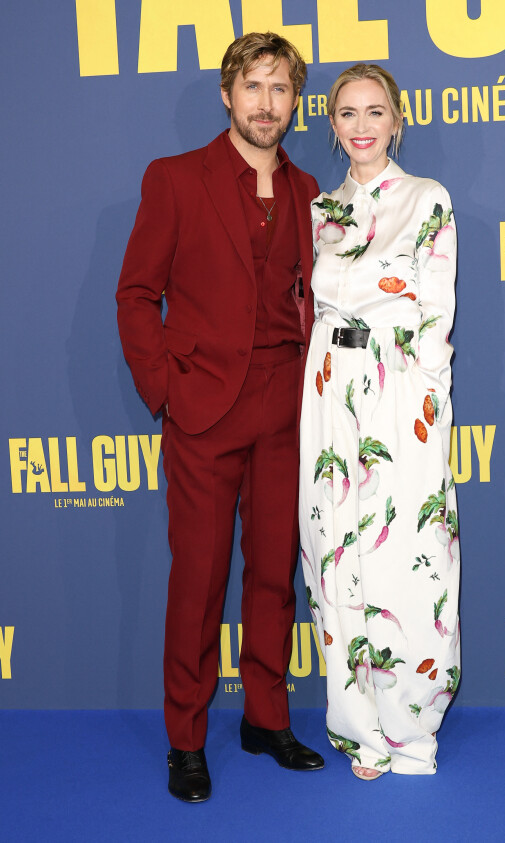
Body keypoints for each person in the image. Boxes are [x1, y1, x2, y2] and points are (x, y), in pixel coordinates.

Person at [116, 31, 324, 803]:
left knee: (274, 574)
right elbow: (136, 292)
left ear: (293, 103)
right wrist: (165, 389)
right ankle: (186, 738)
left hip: (286, 403)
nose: (267, 104)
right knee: (199, 579)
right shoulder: (174, 180)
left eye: (281, 90)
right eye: (254, 87)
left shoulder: (310, 191)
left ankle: (266, 717)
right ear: (227, 95)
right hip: (203, 408)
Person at [299, 64, 460, 779]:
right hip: (329, 389)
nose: (361, 125)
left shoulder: (427, 199)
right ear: (332, 126)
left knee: (406, 551)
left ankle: (411, 727)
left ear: (398, 120)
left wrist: (425, 398)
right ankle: (360, 724)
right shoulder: (320, 211)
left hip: (400, 392)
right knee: (337, 554)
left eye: (375, 111)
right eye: (346, 113)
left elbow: (437, 313)